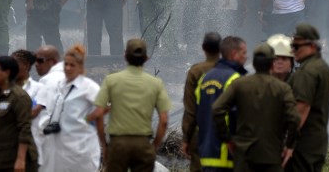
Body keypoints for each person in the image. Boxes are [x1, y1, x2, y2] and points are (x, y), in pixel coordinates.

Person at [212, 43, 300, 172]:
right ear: (271, 63)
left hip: (244, 156)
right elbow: (294, 118)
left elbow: (217, 109)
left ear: (254, 63)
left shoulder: (240, 84)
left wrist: (227, 138)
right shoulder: (282, 88)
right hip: (272, 156)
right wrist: (289, 146)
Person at [88, 38, 171, 172]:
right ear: (146, 57)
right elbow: (164, 120)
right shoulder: (155, 83)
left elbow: (97, 115)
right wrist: (154, 146)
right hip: (142, 144)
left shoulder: (111, 80)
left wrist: (104, 145)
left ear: (125, 56)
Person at [41, 45, 102, 172]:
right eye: (66, 64)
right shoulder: (61, 85)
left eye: (72, 65)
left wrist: (87, 119)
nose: (68, 68)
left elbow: (105, 106)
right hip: (61, 148)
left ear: (80, 67)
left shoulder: (88, 87)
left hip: (82, 148)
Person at [287, 24, 329, 172]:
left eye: (296, 46)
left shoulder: (307, 72)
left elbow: (301, 109)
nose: (293, 50)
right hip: (317, 141)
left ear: (312, 46)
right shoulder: (322, 67)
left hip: (303, 143)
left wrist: (288, 144)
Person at [195, 36, 248, 171]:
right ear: (234, 54)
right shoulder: (235, 79)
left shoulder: (205, 78)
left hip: (206, 153)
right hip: (226, 154)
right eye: (244, 53)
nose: (246, 57)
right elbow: (238, 116)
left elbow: (198, 113)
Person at [0, 56, 38, 172]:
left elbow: (24, 129)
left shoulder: (19, 97)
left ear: (7, 72)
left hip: (16, 161)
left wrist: (21, 159)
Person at [181, 32, 222, 172]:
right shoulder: (230, 71)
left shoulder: (195, 71)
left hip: (200, 134)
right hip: (223, 134)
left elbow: (190, 109)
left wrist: (186, 137)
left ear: (203, 47)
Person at [11, 50, 46, 167]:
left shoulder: (39, 89)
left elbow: (33, 113)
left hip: (32, 147)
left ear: (26, 65)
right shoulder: (4, 90)